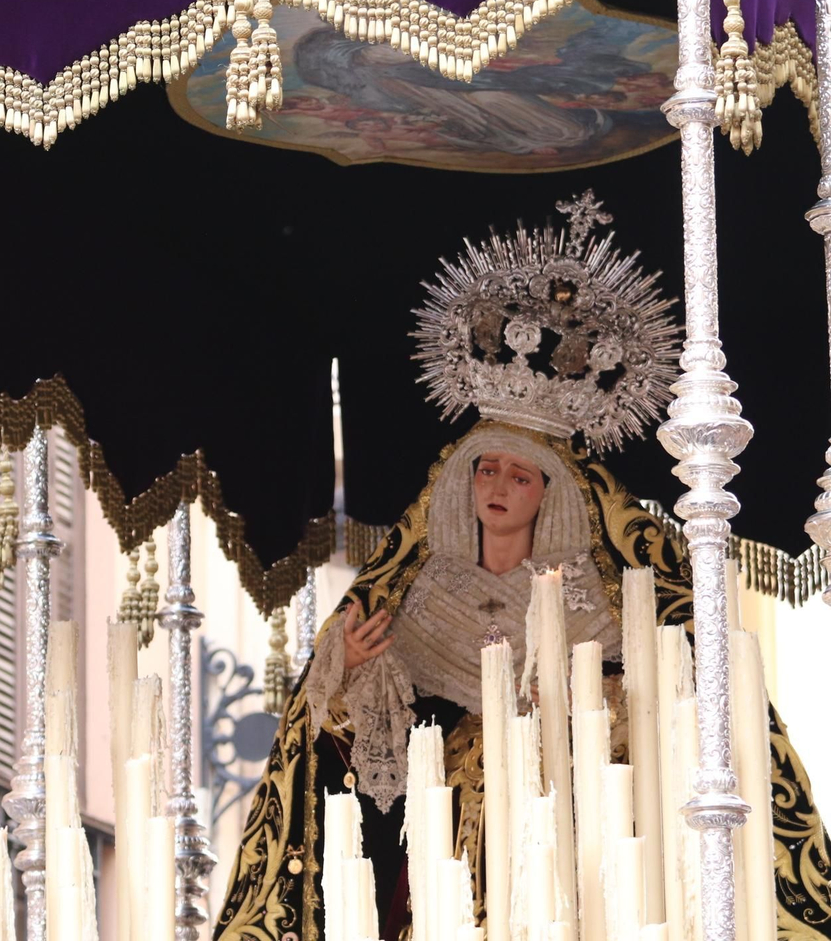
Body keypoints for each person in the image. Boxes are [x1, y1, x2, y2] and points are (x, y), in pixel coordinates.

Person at [214, 194, 831, 941]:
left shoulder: (608, 604)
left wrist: (592, 706)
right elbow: (362, 777)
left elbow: (676, 725)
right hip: (445, 874)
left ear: (553, 494)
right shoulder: (415, 600)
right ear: (462, 481)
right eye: (487, 469)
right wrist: (341, 676)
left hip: (581, 875)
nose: (499, 487)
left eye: (520, 475)